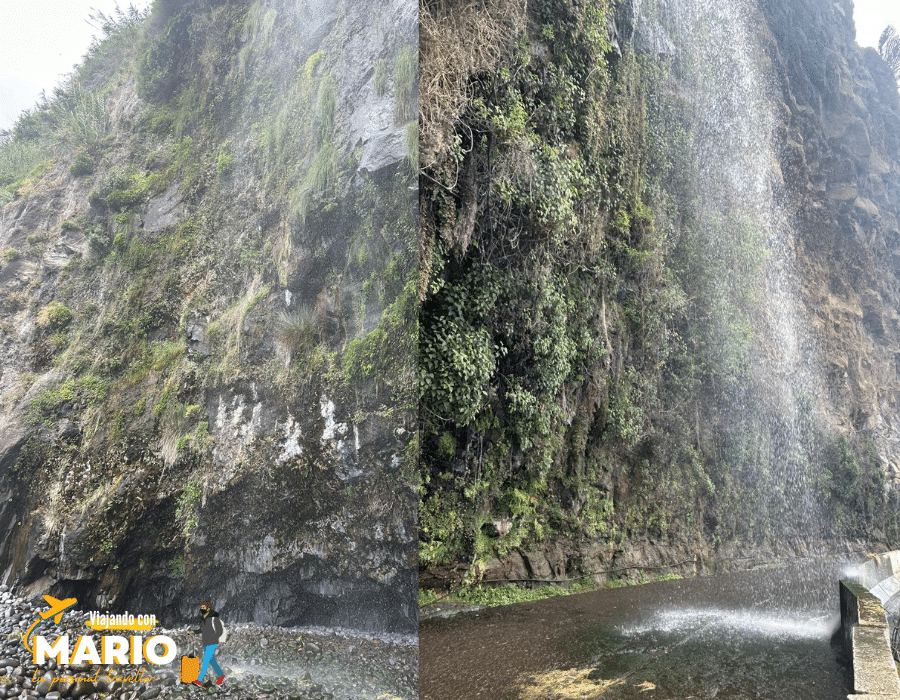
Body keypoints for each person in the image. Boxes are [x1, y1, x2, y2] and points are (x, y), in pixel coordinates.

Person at [191, 601, 225, 687]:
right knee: (212, 661)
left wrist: (212, 638)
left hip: (212, 643)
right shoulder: (204, 619)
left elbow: (219, 631)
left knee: (205, 661)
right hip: (206, 643)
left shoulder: (214, 619)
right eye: (201, 607)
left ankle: (199, 680)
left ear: (209, 608)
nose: (202, 609)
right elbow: (202, 630)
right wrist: (194, 631)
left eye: (204, 607)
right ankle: (221, 675)